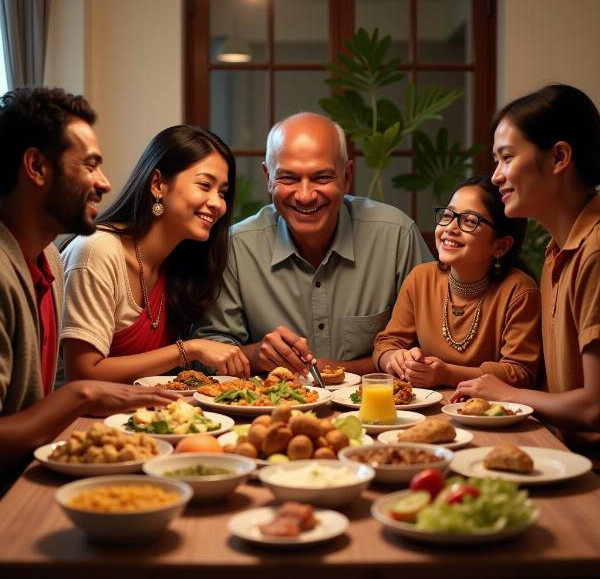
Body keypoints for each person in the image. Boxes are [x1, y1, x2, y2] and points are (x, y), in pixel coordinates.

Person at [0, 87, 178, 480]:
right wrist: (83, 393)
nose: (105, 182)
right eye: (90, 165)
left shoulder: (46, 257)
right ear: (36, 166)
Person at [193, 112, 432, 376]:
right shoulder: (236, 247)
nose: (305, 196)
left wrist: (341, 370)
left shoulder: (396, 236)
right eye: (289, 178)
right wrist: (256, 354)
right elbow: (207, 354)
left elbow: (430, 345)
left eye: (321, 178)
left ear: (347, 176)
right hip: (271, 411)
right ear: (268, 177)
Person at [452, 84, 600, 458]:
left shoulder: (594, 251)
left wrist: (508, 394)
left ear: (559, 157)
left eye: (506, 158)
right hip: (560, 452)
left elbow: (594, 407)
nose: (496, 176)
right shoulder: (556, 251)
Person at [60, 125, 250, 384]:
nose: (217, 203)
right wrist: (189, 349)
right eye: (205, 185)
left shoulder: (180, 262)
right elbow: (82, 373)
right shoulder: (96, 251)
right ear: (158, 184)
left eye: (222, 192)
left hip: (146, 417)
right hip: (79, 422)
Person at [372, 175, 541, 388]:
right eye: (448, 215)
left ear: (501, 246)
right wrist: (396, 359)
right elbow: (385, 345)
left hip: (491, 415)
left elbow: (519, 372)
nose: (450, 227)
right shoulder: (420, 279)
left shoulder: (519, 291)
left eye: (469, 221)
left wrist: (447, 375)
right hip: (426, 411)